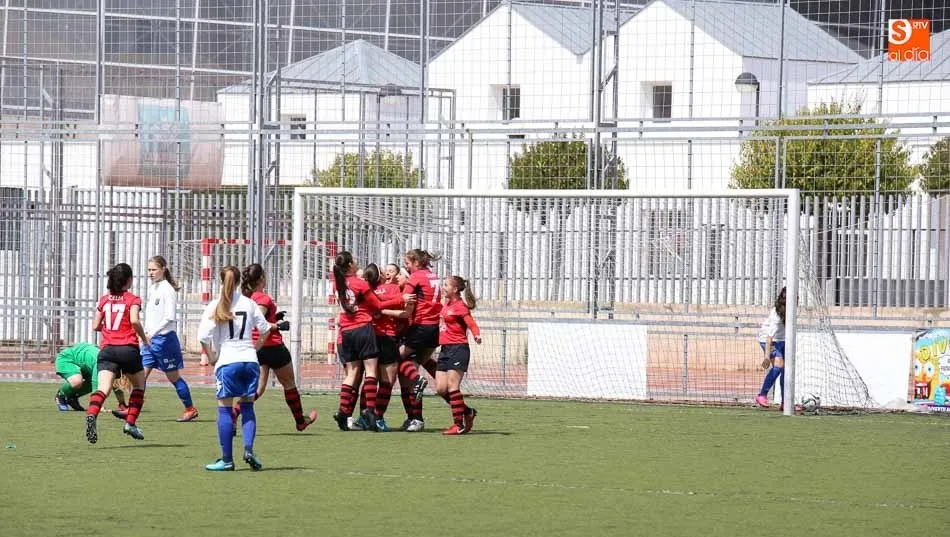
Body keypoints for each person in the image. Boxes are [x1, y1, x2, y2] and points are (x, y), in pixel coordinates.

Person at [198, 266, 278, 472]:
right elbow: (266, 329)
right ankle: (249, 450)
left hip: (228, 361)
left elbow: (203, 336)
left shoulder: (216, 305)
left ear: (221, 281)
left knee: (224, 408)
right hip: (250, 361)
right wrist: (256, 346)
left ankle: (226, 459)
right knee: (248, 408)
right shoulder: (249, 303)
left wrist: (212, 356)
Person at [331, 252, 412, 432]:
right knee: (371, 371)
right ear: (351, 264)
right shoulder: (360, 284)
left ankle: (343, 412)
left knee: (351, 374)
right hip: (363, 329)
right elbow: (378, 305)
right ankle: (370, 411)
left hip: (345, 332)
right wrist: (402, 299)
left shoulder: (337, 284)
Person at [234, 263, 317, 432]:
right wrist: (277, 325)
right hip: (272, 346)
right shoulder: (263, 298)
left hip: (255, 348)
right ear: (261, 279)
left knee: (259, 388)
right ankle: (300, 420)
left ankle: (234, 412)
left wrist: (275, 316)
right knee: (289, 383)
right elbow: (259, 321)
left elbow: (257, 318)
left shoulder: (244, 298)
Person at [84, 263, 150, 443]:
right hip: (127, 348)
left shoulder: (104, 299)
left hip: (107, 350)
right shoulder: (133, 299)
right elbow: (135, 321)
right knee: (139, 386)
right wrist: (144, 339)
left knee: (103, 389)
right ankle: (130, 423)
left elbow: (95, 326)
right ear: (129, 280)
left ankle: (91, 414)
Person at [134, 256, 199, 422]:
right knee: (140, 376)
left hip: (164, 341)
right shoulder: (153, 288)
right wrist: (144, 335)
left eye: (154, 269)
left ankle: (190, 409)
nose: (151, 273)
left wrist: (151, 334)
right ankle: (132, 409)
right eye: (149, 270)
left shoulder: (167, 290)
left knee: (173, 377)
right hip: (150, 341)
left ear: (163, 269)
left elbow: (169, 318)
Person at [350, 263, 409, 432]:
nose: (388, 274)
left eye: (391, 271)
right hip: (387, 336)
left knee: (370, 378)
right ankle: (377, 417)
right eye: (385, 272)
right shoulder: (393, 290)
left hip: (369, 335)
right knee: (387, 380)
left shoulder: (367, 290)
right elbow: (403, 311)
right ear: (380, 276)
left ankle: (364, 417)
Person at [396, 249, 443, 432]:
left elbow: (405, 302)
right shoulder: (433, 276)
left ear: (415, 261)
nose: (406, 267)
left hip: (420, 327)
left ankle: (416, 416)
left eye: (407, 263)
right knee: (413, 368)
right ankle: (459, 407)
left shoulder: (416, 277)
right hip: (434, 329)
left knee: (397, 359)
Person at [436, 276, 482, 435]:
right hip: (445, 350)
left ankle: (458, 424)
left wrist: (477, 335)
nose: (444, 287)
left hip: (458, 349)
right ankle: (468, 412)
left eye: (446, 285)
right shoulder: (446, 304)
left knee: (453, 387)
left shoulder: (460, 307)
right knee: (441, 389)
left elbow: (472, 324)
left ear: (455, 289)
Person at [54, 342, 127, 412]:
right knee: (77, 382)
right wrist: (97, 405)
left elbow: (116, 385)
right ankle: (61, 395)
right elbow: (96, 385)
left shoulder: (115, 364)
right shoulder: (101, 363)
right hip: (67, 359)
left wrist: (122, 404)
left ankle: (72, 397)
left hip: (84, 365)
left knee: (94, 382)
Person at [755, 287, 787, 408]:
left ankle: (786, 402)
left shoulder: (792, 311)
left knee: (786, 371)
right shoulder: (777, 315)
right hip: (768, 341)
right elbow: (769, 338)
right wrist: (767, 357)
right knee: (779, 365)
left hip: (783, 341)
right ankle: (762, 395)